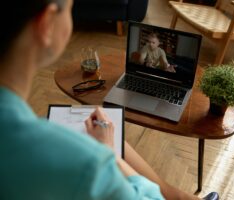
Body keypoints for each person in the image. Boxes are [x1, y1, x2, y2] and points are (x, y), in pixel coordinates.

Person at [0, 0, 219, 200]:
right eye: (70, 7)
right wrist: (108, 153)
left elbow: (164, 64)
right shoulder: (88, 165)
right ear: (47, 24)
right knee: (154, 181)